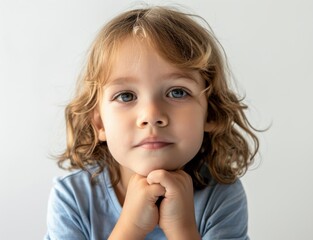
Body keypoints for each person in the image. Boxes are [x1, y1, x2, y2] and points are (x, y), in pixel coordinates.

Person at [45, 5, 259, 240]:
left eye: (177, 92)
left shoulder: (221, 196)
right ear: (99, 124)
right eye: (126, 96)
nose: (151, 114)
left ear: (211, 113)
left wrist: (182, 228)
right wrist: (130, 229)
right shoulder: (73, 197)